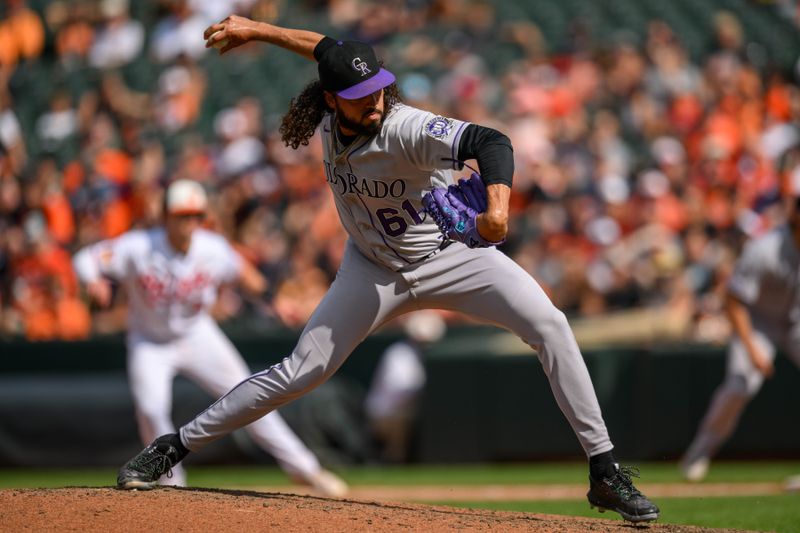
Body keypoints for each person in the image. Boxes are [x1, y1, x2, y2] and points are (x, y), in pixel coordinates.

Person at [117, 16, 660, 523]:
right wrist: (255, 29)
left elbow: (491, 141)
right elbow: (322, 47)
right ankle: (171, 449)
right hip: (371, 269)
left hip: (451, 255)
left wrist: (496, 210)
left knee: (551, 325)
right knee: (301, 372)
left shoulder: (405, 127)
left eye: (376, 86)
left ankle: (605, 471)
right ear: (331, 99)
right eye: (357, 95)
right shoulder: (335, 106)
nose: (373, 100)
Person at [73, 178, 348, 497]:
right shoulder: (139, 246)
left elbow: (246, 277)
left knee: (251, 397)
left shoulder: (212, 248)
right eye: (181, 215)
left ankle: (307, 470)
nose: (188, 222)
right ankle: (170, 480)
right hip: (149, 341)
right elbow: (85, 260)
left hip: (197, 334)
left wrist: (275, 301)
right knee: (150, 409)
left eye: (194, 215)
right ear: (165, 217)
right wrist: (93, 280)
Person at [681, 190, 800, 483]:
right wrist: (752, 349)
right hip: (757, 320)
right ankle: (701, 449)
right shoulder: (766, 249)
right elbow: (734, 301)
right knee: (741, 384)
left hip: (796, 317)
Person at [365, 310, 445, 463]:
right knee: (401, 418)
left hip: (408, 411)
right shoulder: (399, 353)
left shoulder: (429, 354)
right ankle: (394, 461)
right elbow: (397, 391)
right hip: (384, 414)